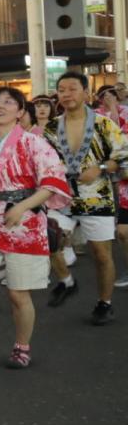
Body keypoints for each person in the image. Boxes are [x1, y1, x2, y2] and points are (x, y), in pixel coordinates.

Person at [0, 87, 71, 368]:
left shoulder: (34, 143)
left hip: (25, 222)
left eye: (9, 102)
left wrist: (22, 206)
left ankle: (22, 345)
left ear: (20, 113)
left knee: (18, 294)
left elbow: (53, 182)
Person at [43, 72, 128, 325]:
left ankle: (105, 303)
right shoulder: (50, 128)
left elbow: (123, 159)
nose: (66, 94)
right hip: (63, 197)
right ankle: (67, 281)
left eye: (72, 88)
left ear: (86, 93)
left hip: (97, 197)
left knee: (101, 255)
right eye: (61, 89)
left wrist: (100, 169)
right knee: (47, 237)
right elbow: (42, 161)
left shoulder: (104, 125)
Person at [93, 85, 128, 290]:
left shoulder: (126, 111)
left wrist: (115, 110)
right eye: (104, 95)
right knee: (123, 232)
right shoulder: (96, 115)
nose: (108, 97)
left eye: (111, 94)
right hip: (115, 171)